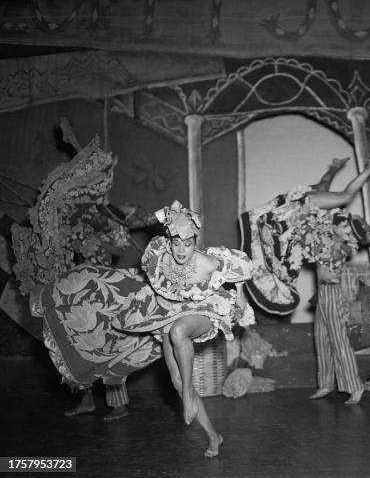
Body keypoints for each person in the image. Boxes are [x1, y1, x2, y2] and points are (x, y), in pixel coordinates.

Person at [13, 123, 160, 421]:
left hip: (98, 291)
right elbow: (85, 171)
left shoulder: (106, 215)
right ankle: (85, 399)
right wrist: (73, 141)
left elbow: (134, 217)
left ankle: (118, 405)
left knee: (105, 343)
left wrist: (163, 218)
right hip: (72, 286)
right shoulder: (72, 216)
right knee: (71, 342)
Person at [241, 158, 370, 404]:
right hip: (322, 294)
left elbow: (344, 195)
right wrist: (331, 171)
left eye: (345, 229)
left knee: (338, 339)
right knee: (321, 337)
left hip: (332, 293)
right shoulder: (321, 226)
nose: (341, 224)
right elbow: (322, 191)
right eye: (342, 224)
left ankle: (354, 387)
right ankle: (325, 384)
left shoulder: (339, 247)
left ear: (349, 238)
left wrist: (369, 169)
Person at [113, 201, 255, 457]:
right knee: (177, 381)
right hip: (172, 312)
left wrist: (241, 297)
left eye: (187, 244)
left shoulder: (206, 262)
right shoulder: (161, 257)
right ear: (169, 242)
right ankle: (214, 435)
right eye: (176, 243)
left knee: (178, 333)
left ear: (195, 242)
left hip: (204, 310)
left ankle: (189, 395)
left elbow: (241, 265)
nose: (181, 250)